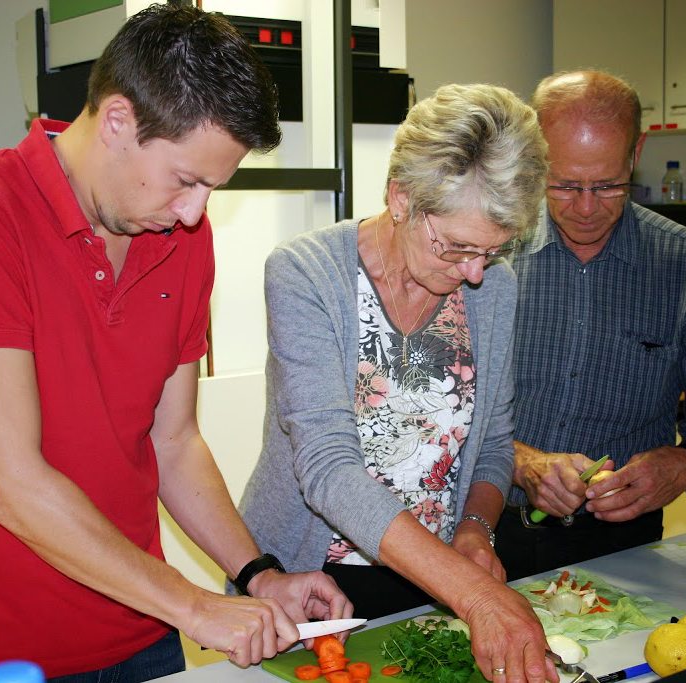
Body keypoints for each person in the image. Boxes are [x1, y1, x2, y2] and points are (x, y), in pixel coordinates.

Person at [0, 6, 350, 683]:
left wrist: (254, 574)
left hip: (142, 628)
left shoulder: (184, 240)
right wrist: (196, 607)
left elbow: (174, 442)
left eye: (213, 189)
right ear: (116, 121)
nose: (196, 212)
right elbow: (8, 482)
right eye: (187, 179)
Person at [239, 84, 559, 683]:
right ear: (401, 198)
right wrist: (474, 594)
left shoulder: (497, 288)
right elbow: (329, 469)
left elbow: (492, 443)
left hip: (432, 585)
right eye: (458, 246)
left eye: (492, 251)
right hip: (308, 590)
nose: (474, 273)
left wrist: (473, 530)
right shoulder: (306, 273)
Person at [494, 70, 686, 580]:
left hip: (622, 549)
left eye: (609, 185)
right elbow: (432, 410)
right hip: (484, 534)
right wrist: (521, 464)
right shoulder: (487, 249)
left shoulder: (685, 263)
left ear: (635, 155)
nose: (586, 208)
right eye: (565, 184)